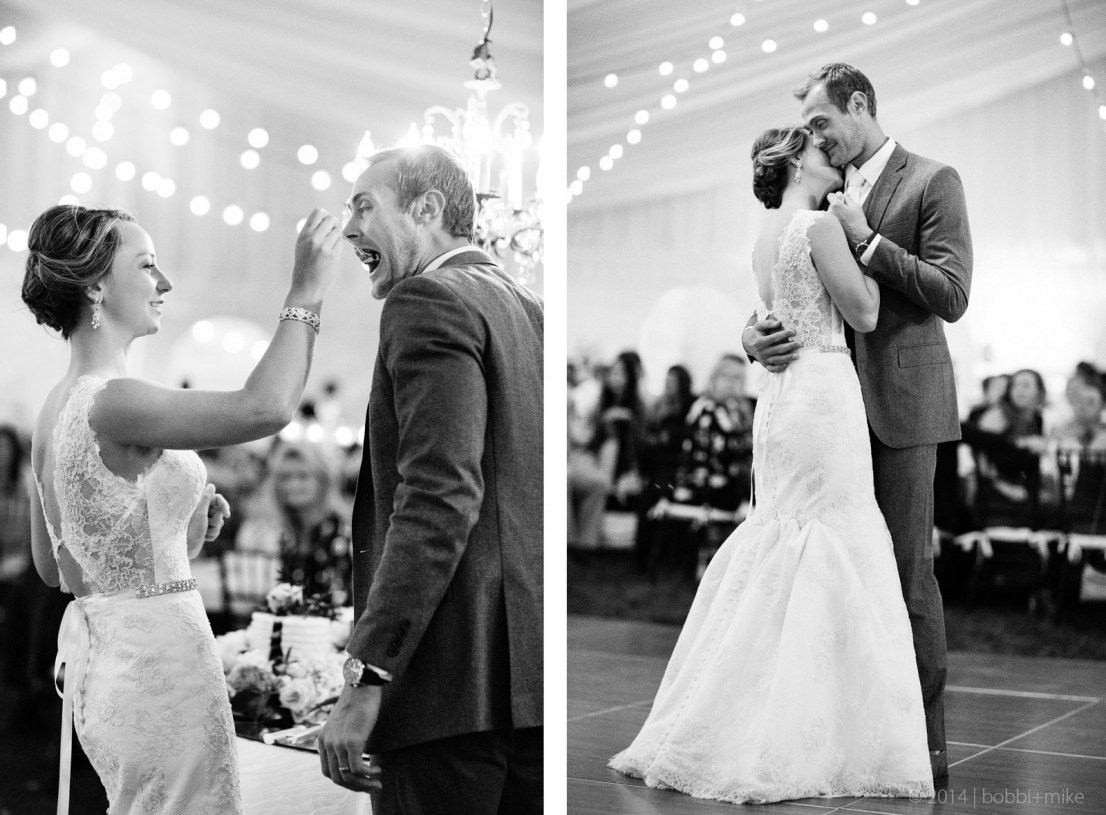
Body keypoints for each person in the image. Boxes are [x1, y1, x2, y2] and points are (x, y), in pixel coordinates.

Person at [613, 115, 952, 802]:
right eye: (821, 149)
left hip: (781, 398)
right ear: (797, 162)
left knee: (782, 538)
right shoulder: (822, 226)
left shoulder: (764, 235)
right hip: (823, 392)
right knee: (832, 541)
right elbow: (863, 313)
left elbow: (776, 311)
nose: (833, 157)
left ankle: (751, 712)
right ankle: (818, 730)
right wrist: (860, 236)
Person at [22, 202, 342, 813]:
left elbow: (57, 568)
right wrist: (306, 291)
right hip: (162, 668)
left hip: (110, 669)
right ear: (95, 286)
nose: (164, 282)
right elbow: (266, 408)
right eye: (147, 265)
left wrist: (178, 529)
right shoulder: (115, 401)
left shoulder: (52, 412)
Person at [740, 63, 971, 787]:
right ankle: (839, 743)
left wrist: (868, 241)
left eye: (819, 121)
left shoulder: (932, 180)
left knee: (903, 576)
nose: (813, 135)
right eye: (808, 128)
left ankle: (921, 751)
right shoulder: (817, 196)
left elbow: (952, 292)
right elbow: (792, 283)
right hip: (825, 412)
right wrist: (751, 335)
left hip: (899, 405)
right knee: (831, 577)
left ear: (859, 105)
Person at [315, 144, 543, 814]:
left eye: (364, 206)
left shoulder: (425, 298)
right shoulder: (529, 306)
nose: (349, 227)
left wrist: (365, 675)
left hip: (445, 684)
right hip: (526, 684)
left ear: (428, 208)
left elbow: (439, 498)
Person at [270, 441, 353, 605]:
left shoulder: (342, 533)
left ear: (323, 481)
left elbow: (341, 600)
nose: (293, 485)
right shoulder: (288, 534)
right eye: (285, 477)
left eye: (303, 476)